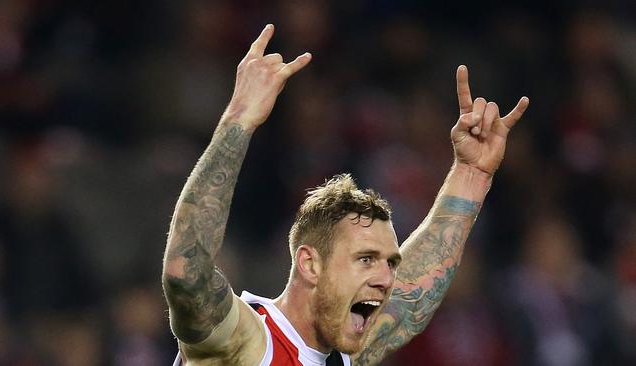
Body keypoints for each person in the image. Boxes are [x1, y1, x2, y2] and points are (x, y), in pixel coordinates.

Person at [162, 24, 529, 366]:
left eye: (390, 263)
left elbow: (413, 293)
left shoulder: (341, 353)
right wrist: (238, 120)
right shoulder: (246, 341)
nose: (386, 278)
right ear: (309, 264)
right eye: (366, 259)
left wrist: (472, 173)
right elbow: (185, 273)